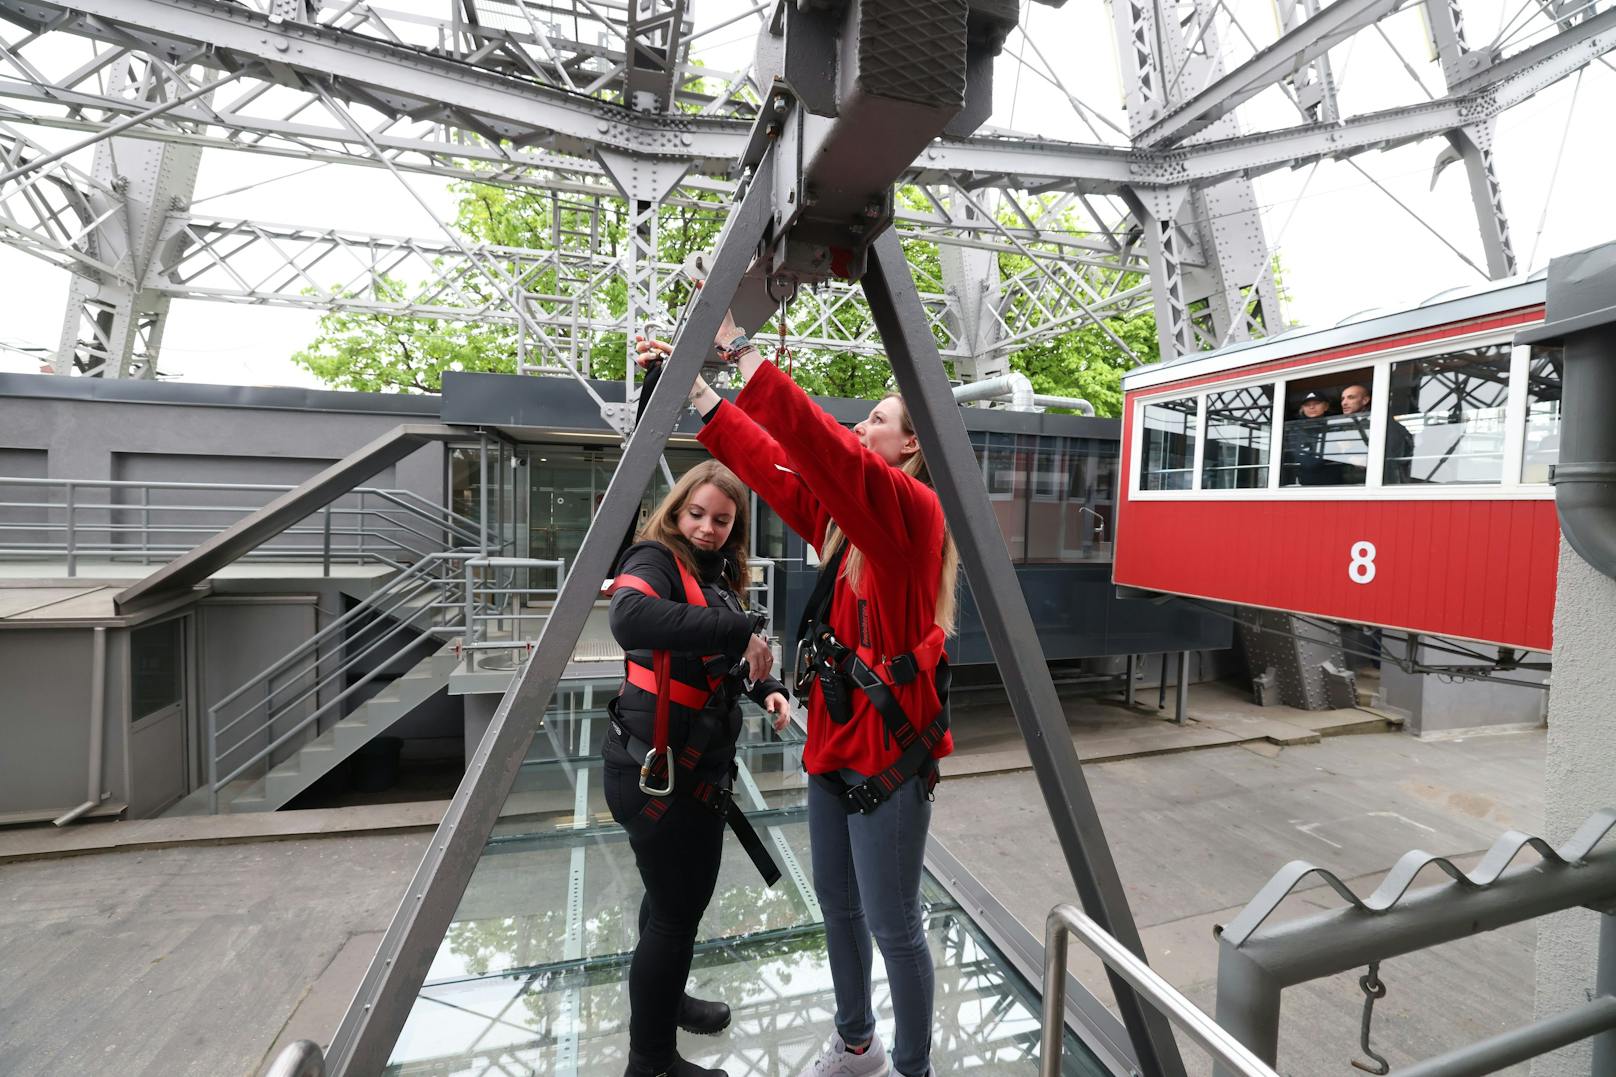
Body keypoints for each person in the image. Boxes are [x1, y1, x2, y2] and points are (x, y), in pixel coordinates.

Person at [635, 316, 959, 1077]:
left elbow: (825, 452)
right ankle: (857, 1043)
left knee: (894, 924)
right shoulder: (850, 525)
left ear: (909, 445)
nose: (860, 426)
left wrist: (742, 350)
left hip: (887, 755)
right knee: (840, 909)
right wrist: (701, 396)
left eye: (875, 420)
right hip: (837, 740)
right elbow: (779, 464)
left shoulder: (913, 516)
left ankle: (913, 1067)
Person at [603, 460, 792, 1077]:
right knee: (676, 913)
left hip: (683, 775)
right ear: (676, 511)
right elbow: (629, 617)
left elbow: (714, 665)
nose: (708, 529)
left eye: (722, 520)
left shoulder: (712, 581)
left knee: (668, 909)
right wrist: (742, 629)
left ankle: (665, 999)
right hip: (660, 776)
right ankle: (652, 1061)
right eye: (697, 515)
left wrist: (767, 688)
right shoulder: (654, 560)